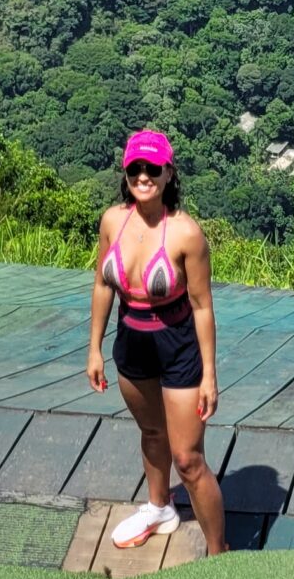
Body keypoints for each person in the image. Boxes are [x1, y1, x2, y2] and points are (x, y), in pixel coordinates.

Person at [86, 129, 228, 554]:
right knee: (151, 431)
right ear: (125, 172)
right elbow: (102, 285)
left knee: (188, 459)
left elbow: (202, 306)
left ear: (169, 174)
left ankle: (220, 553)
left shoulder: (186, 233)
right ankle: (159, 507)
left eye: (152, 168)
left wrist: (209, 374)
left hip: (178, 346)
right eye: (135, 168)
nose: (143, 176)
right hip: (131, 340)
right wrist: (94, 348)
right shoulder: (112, 221)